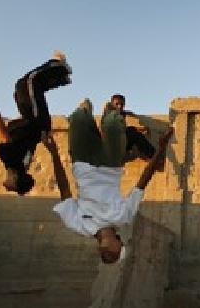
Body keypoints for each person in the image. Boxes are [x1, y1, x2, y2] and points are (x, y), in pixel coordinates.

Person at [47, 99, 173, 264]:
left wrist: (54, 153)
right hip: (110, 164)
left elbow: (64, 189)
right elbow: (143, 181)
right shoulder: (124, 217)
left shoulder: (78, 225)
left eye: (119, 249)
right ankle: (109, 112)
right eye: (119, 248)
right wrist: (161, 149)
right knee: (113, 122)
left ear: (105, 250)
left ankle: (86, 109)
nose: (121, 244)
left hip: (82, 162)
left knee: (79, 118)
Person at [0, 52, 72, 195]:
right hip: (35, 120)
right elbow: (4, 134)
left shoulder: (24, 165)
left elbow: (20, 137)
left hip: (39, 124)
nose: (6, 179)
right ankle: (60, 67)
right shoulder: (11, 160)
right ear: (16, 177)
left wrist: (9, 122)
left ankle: (61, 78)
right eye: (8, 181)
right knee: (28, 82)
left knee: (24, 91)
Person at [109, 94, 156, 161]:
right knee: (132, 132)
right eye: (117, 104)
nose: (119, 106)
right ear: (112, 105)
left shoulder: (122, 114)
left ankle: (151, 156)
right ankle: (153, 156)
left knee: (132, 131)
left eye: (122, 104)